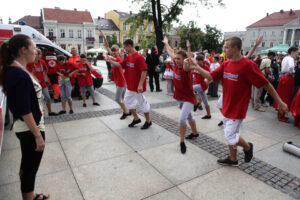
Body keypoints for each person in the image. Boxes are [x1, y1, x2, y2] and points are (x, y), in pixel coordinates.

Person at [187, 36, 288, 166]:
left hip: (238, 108)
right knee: (232, 134)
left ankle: (247, 147)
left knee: (229, 135)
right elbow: (210, 76)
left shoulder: (248, 65)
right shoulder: (226, 64)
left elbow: (266, 83)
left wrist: (279, 102)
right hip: (227, 105)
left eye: (226, 47)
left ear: (235, 48)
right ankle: (233, 159)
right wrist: (196, 66)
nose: (224, 50)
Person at [0, 35, 50, 200]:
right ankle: (30, 197)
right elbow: (24, 109)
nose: (36, 52)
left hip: (27, 127)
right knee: (31, 168)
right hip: (30, 128)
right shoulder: (17, 73)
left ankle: (30, 195)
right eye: (34, 48)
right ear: (23, 50)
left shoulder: (16, 70)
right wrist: (37, 135)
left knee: (27, 164)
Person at [162, 36, 199, 154]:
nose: (176, 60)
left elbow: (188, 60)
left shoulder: (185, 68)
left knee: (182, 119)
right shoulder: (176, 64)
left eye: (179, 59)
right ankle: (195, 132)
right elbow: (171, 53)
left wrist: (188, 50)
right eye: (176, 58)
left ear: (184, 60)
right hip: (180, 97)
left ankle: (182, 142)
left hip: (188, 98)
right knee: (189, 116)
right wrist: (166, 43)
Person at [106, 39, 152, 129]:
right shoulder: (129, 56)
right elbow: (120, 65)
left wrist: (140, 85)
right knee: (127, 102)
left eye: (125, 47)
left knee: (143, 104)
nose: (124, 49)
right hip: (130, 85)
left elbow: (144, 71)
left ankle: (148, 121)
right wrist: (110, 61)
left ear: (129, 46)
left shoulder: (139, 57)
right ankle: (136, 118)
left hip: (138, 87)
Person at [99, 29, 131, 119]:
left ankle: (126, 112)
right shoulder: (113, 56)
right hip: (119, 81)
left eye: (115, 51)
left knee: (118, 98)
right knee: (124, 98)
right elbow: (107, 46)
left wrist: (109, 58)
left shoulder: (119, 59)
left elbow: (114, 60)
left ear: (118, 51)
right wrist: (104, 37)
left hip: (121, 81)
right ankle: (129, 110)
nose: (113, 52)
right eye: (112, 51)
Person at [26, 48, 57, 116]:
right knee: (40, 99)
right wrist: (35, 79)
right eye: (37, 54)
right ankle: (40, 112)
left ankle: (50, 112)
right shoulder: (29, 63)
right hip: (35, 85)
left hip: (42, 83)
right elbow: (28, 72)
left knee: (48, 97)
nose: (39, 55)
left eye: (39, 54)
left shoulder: (42, 62)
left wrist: (44, 77)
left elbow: (46, 69)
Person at [274, 47, 298, 123]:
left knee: (282, 96)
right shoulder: (290, 59)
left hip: (284, 77)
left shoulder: (285, 58)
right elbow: (291, 67)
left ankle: (281, 114)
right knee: (286, 97)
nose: (296, 54)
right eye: (296, 52)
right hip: (288, 78)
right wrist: (290, 72)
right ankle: (281, 115)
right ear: (292, 52)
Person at [193, 55, 211, 119]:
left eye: (198, 60)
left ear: (202, 60)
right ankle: (209, 115)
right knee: (205, 101)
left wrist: (207, 79)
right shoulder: (196, 66)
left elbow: (209, 76)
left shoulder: (206, 67)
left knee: (189, 88)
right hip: (198, 85)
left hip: (202, 85)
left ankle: (195, 104)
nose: (197, 61)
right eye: (196, 60)